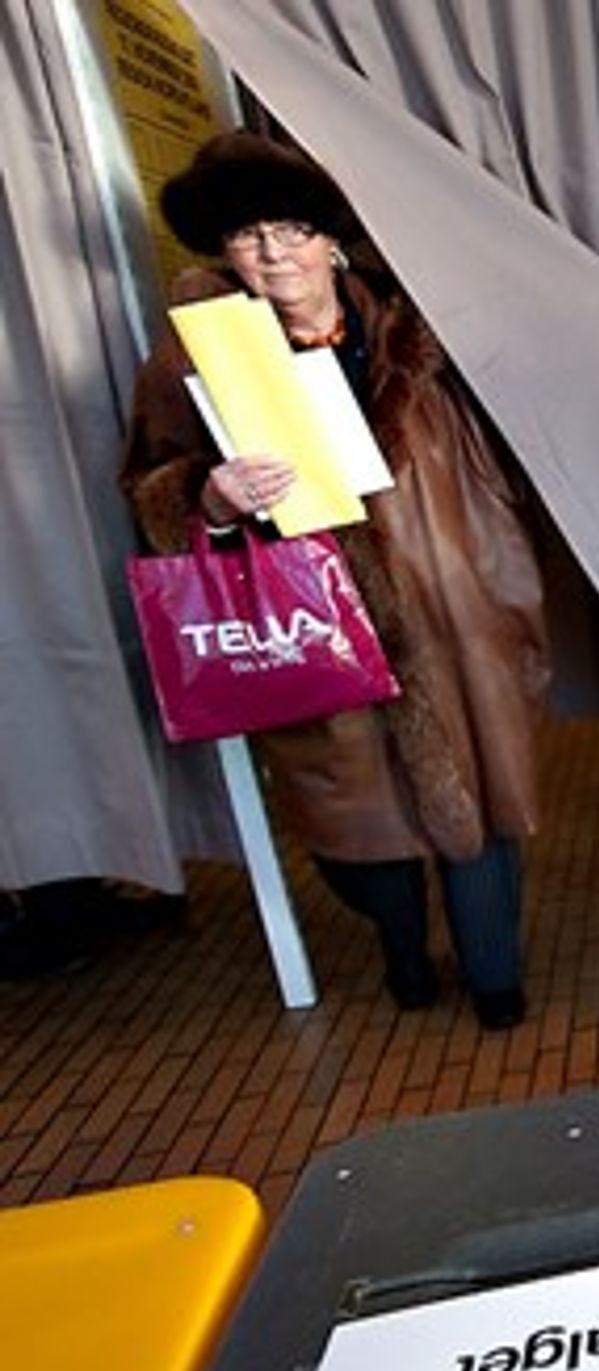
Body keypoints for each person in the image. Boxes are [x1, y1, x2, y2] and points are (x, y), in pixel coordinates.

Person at [120, 132, 549, 1030]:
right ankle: (398, 941)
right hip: (313, 615)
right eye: (248, 235)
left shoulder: (413, 324)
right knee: (360, 828)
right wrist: (214, 493)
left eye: (292, 228)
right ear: (224, 253)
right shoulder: (194, 357)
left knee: (482, 796)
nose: (275, 251)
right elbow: (147, 482)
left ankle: (496, 972)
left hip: (451, 598)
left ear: (331, 238)